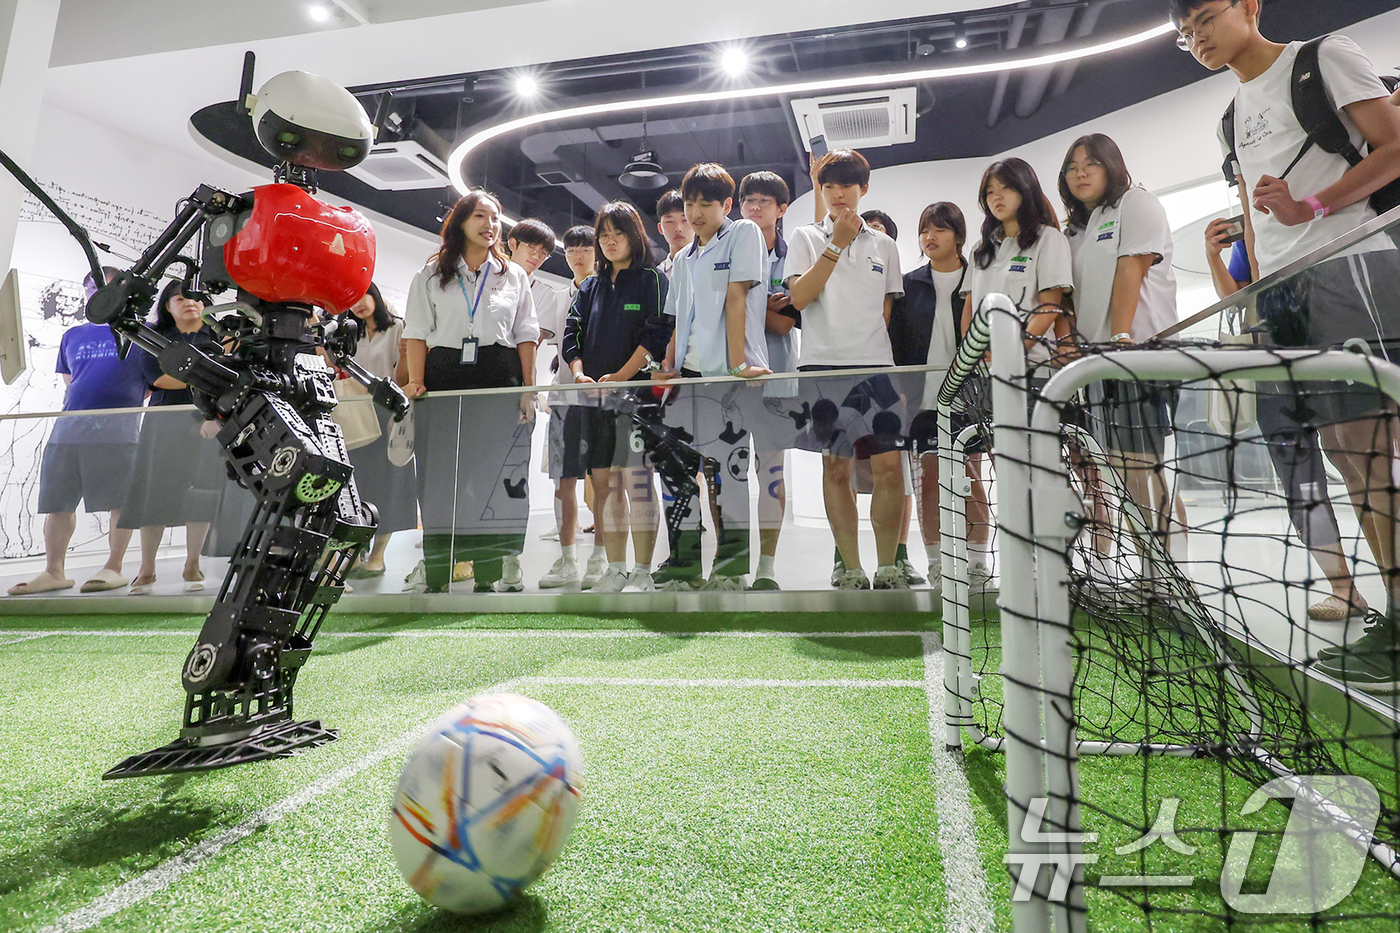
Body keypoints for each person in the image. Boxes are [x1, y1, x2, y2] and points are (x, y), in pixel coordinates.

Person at [1172, 0, 1400, 688]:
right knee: (1346, 456)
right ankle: (1390, 617)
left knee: (1371, 453)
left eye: (1206, 18)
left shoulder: (1321, 58)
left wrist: (1315, 207)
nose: (1198, 38)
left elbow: (1393, 145)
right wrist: (1255, 290)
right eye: (1185, 35)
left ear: (1248, 6)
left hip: (1351, 265)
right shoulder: (1230, 116)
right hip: (1284, 297)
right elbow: (1253, 209)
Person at [1204, 216, 1371, 622]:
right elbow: (1239, 302)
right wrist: (1213, 257)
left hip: (1322, 347)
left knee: (1356, 463)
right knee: (1303, 484)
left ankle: (1390, 586)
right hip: (1272, 369)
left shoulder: (1307, 223)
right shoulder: (1251, 240)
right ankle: (1343, 589)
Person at [1060, 133, 1190, 588]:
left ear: (1111, 165)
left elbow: (1131, 268)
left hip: (1138, 355)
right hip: (1099, 365)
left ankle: (1170, 577)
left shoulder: (1137, 203)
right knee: (1121, 472)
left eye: (1091, 162)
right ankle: (1155, 575)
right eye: (1073, 165)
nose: (1081, 172)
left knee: (1142, 467)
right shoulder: (1076, 228)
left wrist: (1119, 338)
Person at [402, 190, 539, 594]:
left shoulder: (512, 274)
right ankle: (439, 571)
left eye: (495, 217)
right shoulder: (429, 274)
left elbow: (526, 335)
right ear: (460, 221)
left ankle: (488, 576)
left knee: (492, 477)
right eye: (480, 215)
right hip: (443, 378)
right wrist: (417, 382)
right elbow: (416, 332)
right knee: (440, 477)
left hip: (499, 375)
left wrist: (528, 391)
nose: (490, 224)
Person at [786, 148, 906, 590]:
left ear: (863, 188)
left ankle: (889, 565)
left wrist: (886, 370)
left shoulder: (886, 246)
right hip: (822, 369)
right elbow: (799, 300)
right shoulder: (804, 237)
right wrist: (835, 243)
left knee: (890, 469)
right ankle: (851, 567)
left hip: (876, 369)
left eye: (846, 185)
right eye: (828, 186)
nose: (837, 194)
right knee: (836, 471)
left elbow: (885, 312)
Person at [959, 157, 1075, 588]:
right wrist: (975, 353)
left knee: (1038, 472)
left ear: (1026, 190)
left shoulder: (1048, 240)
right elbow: (970, 307)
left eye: (1005, 188)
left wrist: (1013, 347)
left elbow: (1051, 303)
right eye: (990, 191)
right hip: (987, 377)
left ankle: (1051, 566)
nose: (997, 197)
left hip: (1035, 374)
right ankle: (1020, 567)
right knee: (1004, 473)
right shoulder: (983, 248)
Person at [655, 163, 770, 590]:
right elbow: (677, 319)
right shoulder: (683, 257)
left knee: (730, 474)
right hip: (688, 378)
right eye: (690, 203)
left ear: (726, 204)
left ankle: (733, 568)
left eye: (706, 203)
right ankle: (684, 564)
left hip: (730, 378)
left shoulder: (742, 234)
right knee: (679, 471)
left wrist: (738, 363)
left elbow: (737, 297)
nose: (696, 212)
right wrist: (668, 369)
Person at [9, 267, 142, 595]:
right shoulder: (72, 336)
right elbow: (73, 384)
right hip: (68, 429)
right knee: (57, 503)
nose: (99, 294)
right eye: (93, 288)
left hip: (118, 433)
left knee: (118, 502)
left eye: (107, 288)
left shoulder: (141, 335)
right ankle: (54, 570)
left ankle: (114, 566)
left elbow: (147, 385)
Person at [561, 202, 672, 592]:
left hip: (636, 398)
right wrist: (579, 374)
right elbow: (571, 334)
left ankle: (643, 570)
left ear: (634, 236)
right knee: (604, 485)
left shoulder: (652, 279)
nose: (609, 242)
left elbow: (657, 333)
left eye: (617, 233)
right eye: (603, 235)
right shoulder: (590, 285)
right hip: (593, 400)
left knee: (637, 482)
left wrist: (621, 376)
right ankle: (616, 568)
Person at [892, 202, 989, 591]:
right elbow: (897, 347)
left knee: (970, 479)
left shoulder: (978, 278)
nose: (930, 238)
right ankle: (936, 564)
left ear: (960, 238)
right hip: (924, 404)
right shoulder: (908, 284)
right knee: (929, 482)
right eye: (924, 231)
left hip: (974, 401)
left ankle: (979, 564)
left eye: (940, 230)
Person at [116, 280, 226, 594]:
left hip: (209, 423)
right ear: (167, 306)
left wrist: (197, 382)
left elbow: (228, 377)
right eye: (180, 298)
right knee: (156, 494)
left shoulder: (220, 337)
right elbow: (158, 379)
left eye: (195, 298)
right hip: (164, 425)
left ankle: (193, 563)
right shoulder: (153, 338)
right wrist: (206, 379)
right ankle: (147, 568)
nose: (190, 303)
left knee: (202, 493)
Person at [738, 170, 799, 590]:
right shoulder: (723, 251)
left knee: (771, 476)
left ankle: (766, 567)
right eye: (748, 200)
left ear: (781, 209)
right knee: (728, 475)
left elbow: (789, 323)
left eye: (764, 201)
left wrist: (742, 306)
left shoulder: (797, 257)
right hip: (729, 381)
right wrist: (763, 309)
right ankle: (732, 564)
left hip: (777, 381)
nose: (755, 208)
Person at [340, 283, 418, 580]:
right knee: (356, 483)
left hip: (390, 411)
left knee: (389, 483)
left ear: (376, 296)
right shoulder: (349, 334)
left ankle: (378, 556)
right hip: (355, 414)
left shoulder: (398, 328)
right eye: (352, 299)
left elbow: (404, 376)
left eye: (364, 295)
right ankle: (356, 551)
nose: (359, 304)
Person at [539, 225, 596, 588]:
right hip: (564, 397)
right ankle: (568, 558)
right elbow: (532, 340)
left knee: (606, 481)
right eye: (571, 249)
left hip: (602, 397)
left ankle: (604, 559)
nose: (578, 255)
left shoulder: (609, 291)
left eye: (584, 249)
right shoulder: (556, 297)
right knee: (564, 481)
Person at [655, 189, 693, 278]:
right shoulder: (657, 275)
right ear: (660, 228)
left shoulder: (708, 265)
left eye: (685, 220)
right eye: (670, 221)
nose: (678, 229)